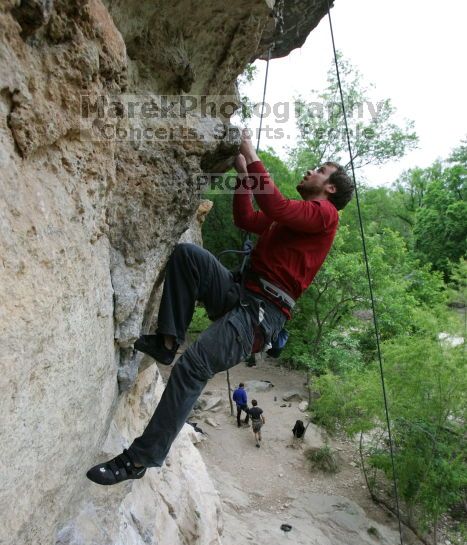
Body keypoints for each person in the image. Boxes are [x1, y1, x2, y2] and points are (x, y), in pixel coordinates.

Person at [86, 129, 354, 485]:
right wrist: (244, 179)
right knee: (188, 256)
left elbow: (274, 205)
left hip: (260, 314)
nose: (311, 171)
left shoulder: (325, 215)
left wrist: (250, 153)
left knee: (194, 367)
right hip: (241, 291)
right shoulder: (295, 220)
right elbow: (248, 219)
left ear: (330, 188)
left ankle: (139, 459)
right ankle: (167, 341)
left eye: (320, 170)